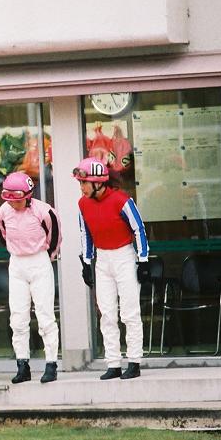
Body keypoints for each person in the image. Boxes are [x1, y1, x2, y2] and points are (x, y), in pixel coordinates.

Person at [74, 157, 149, 380]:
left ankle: (134, 362)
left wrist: (143, 260)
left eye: (83, 182)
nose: (81, 187)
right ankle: (113, 363)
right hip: (103, 259)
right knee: (106, 314)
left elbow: (139, 229)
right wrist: (87, 263)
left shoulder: (121, 200)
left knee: (130, 312)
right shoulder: (83, 204)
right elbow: (85, 233)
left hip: (124, 256)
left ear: (98, 182)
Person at [0, 172, 62, 384]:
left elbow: (55, 237)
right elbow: (3, 235)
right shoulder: (2, 212)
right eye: (9, 200)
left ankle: (51, 364)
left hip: (39, 260)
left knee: (45, 315)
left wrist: (46, 257)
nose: (12, 204)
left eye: (16, 200)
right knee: (17, 318)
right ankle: (22, 365)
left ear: (27, 196)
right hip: (16, 263)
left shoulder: (44, 211)